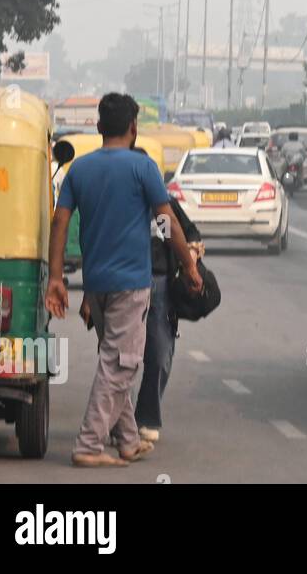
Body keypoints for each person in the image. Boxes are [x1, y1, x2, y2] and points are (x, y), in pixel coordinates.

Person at [46, 93, 202, 468]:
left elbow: (60, 222)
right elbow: (166, 223)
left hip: (95, 284)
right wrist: (190, 267)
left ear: (99, 127)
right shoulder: (142, 169)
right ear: (133, 128)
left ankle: (128, 441)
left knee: (117, 359)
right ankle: (88, 444)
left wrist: (56, 278)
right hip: (131, 284)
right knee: (120, 366)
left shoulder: (78, 170)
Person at [135, 178, 204, 442]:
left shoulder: (162, 208)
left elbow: (189, 235)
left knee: (160, 354)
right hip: (122, 284)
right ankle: (118, 421)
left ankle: (146, 417)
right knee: (119, 358)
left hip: (160, 285)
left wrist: (191, 263)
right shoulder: (117, 206)